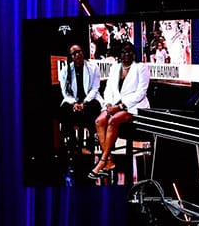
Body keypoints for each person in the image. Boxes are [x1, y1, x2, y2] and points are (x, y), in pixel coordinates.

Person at [90, 42, 149, 180]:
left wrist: (121, 106)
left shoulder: (141, 68)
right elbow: (108, 89)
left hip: (134, 107)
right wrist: (109, 104)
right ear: (119, 54)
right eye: (123, 52)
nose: (126, 54)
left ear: (134, 54)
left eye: (129, 52)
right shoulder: (115, 68)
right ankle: (109, 161)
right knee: (99, 121)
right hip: (114, 104)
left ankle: (102, 161)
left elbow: (140, 93)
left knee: (113, 120)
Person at [57, 44, 101, 153]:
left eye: (79, 52)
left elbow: (95, 88)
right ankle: (72, 140)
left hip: (90, 99)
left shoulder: (93, 67)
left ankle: (91, 137)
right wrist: (74, 103)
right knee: (64, 110)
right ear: (70, 56)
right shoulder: (65, 71)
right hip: (74, 101)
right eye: (74, 53)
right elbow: (65, 92)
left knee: (94, 107)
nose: (78, 55)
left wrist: (84, 103)